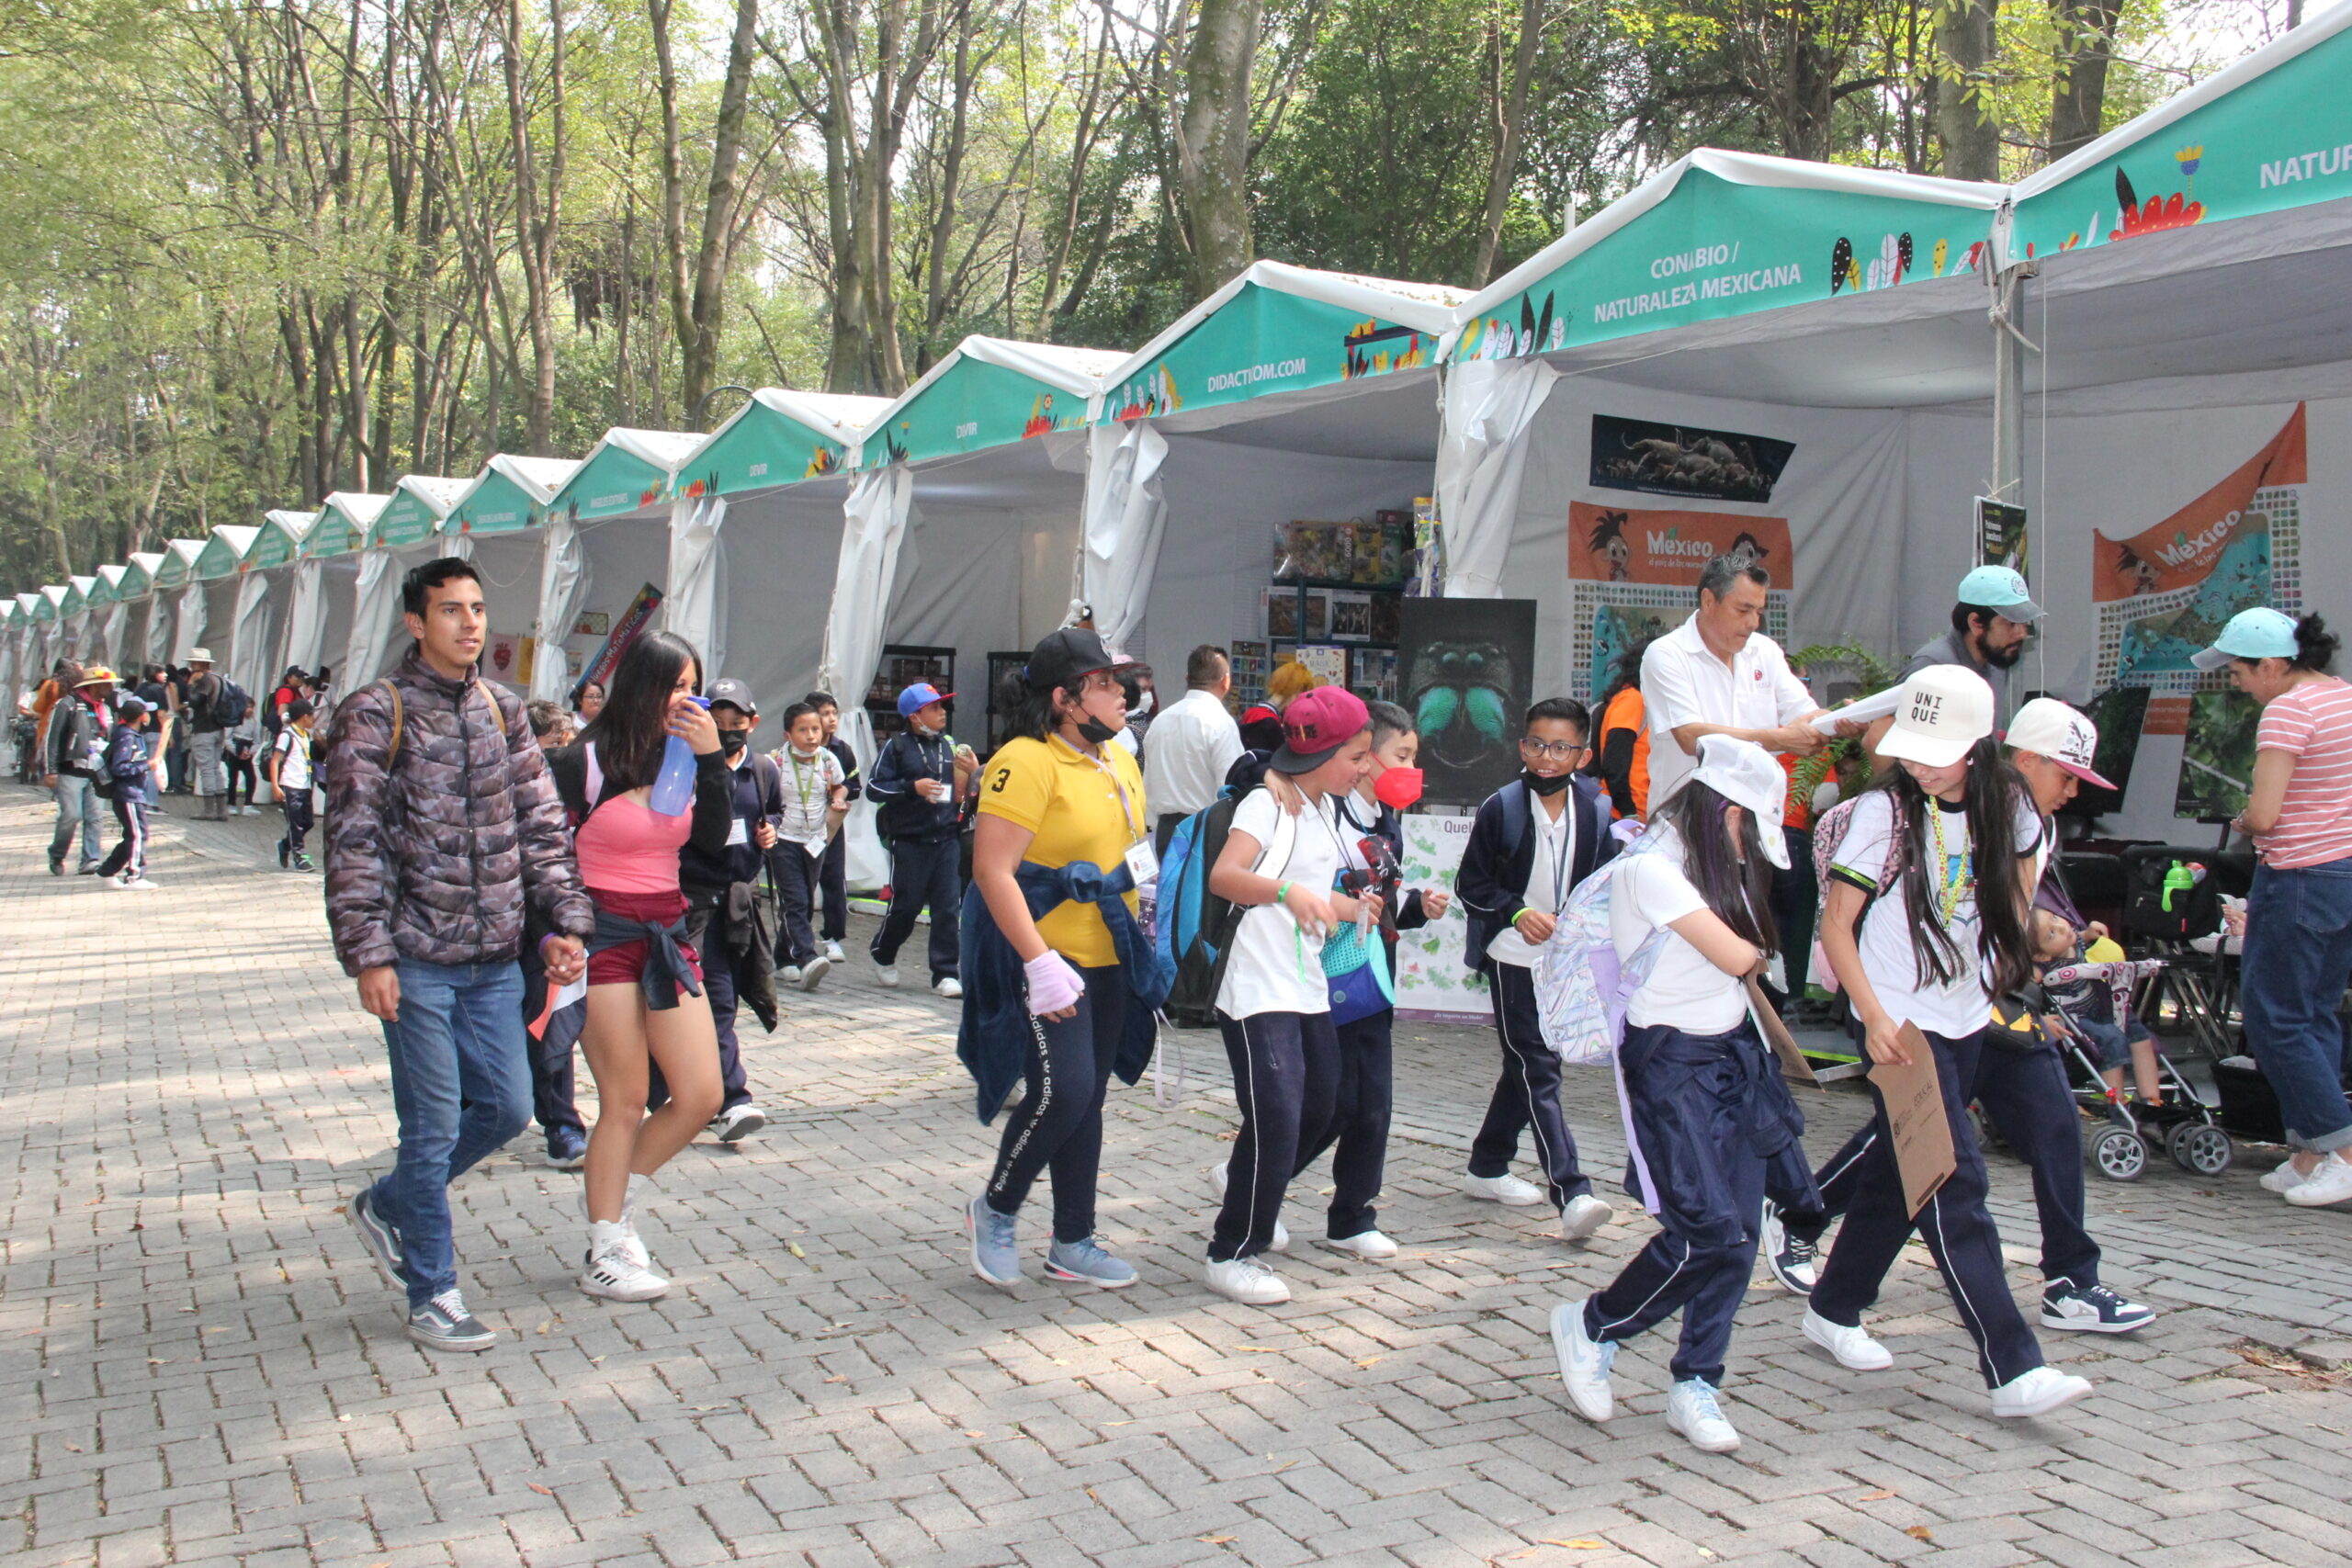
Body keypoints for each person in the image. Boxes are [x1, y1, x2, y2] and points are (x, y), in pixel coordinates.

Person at [1768, 694, 2155, 1336]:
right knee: (1931, 1155)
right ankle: (1813, 1236)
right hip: (1918, 1008)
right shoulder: (1907, 808)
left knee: (2041, 1125)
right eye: (2066, 775)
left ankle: (2069, 1280)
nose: (2070, 793)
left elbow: (2006, 924)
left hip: (1992, 1007)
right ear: (2023, 757)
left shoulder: (2026, 822)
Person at [1801, 664, 2094, 1420]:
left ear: (1980, 745)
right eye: (1914, 748)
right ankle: (2013, 1366)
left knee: (1896, 1181)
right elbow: (1838, 924)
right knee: (1953, 1183)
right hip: (1898, 1024)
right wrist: (1872, 1018)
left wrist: (2011, 942)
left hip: (1966, 1018)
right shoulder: (1883, 814)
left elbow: (2025, 872)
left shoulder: (2011, 806)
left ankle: (1833, 1306)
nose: (1922, 763)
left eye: (1940, 749)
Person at [326, 557, 593, 1353]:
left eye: (478, 608)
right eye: (451, 610)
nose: (471, 623)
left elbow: (543, 826)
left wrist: (568, 922)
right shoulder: (378, 711)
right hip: (413, 957)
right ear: (416, 622)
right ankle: (432, 1290)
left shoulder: (503, 711)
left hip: (492, 958)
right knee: (433, 1123)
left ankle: (389, 1204)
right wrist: (369, 953)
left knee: (509, 1109)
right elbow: (352, 838)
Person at [1551, 737, 1815, 1454]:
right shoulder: (1652, 870)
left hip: (1734, 1057)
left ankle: (1697, 1381)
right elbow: (1740, 954)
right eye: (1747, 826)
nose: (1752, 845)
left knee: (1736, 1236)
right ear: (1723, 811)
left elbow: (1751, 956)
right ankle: (1595, 1324)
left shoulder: (1709, 866)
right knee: (1709, 1231)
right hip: (1671, 1067)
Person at [962, 627, 1166, 1292]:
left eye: (1119, 680)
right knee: (1063, 1089)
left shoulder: (1120, 759)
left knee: (1090, 1098)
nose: (1123, 693)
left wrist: (1148, 936)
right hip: (1047, 954)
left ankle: (1073, 1239)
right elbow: (993, 870)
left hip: (1111, 954)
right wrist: (1040, 963)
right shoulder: (1024, 760)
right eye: (1105, 683)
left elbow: (1139, 858)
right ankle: (996, 1206)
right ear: (1064, 698)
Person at [546, 630, 732, 1303]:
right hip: (600, 935)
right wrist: (554, 935)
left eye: (695, 686)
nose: (688, 700)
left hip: (669, 932)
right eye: (677, 686)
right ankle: (605, 1245)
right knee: (623, 1098)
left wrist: (713, 760)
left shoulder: (688, 756)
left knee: (702, 1094)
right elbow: (542, 854)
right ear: (644, 687)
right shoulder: (582, 760)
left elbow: (716, 844)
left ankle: (616, 1213)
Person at [1197, 687, 1383, 1303]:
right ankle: (1232, 1249)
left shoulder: (1322, 805)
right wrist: (1286, 895)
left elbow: (1309, 889)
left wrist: (1350, 906)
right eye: (1357, 754)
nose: (1365, 766)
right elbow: (1228, 876)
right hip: (1255, 984)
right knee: (1277, 1114)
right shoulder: (1266, 802)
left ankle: (1248, 1185)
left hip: (1305, 982)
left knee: (1324, 1105)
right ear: (1324, 752)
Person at [2193, 610, 2352, 1207]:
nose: (2236, 682)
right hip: (2343, 871)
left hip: (2298, 875)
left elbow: (2264, 814)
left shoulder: (2287, 710)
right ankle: (2310, 1151)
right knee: (2315, 1014)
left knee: (2272, 1018)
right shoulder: (2342, 696)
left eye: (2239, 670)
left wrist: (2237, 816)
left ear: (2273, 665)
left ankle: (2341, 1152)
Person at [1283, 699, 1446, 1258]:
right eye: (1400, 755)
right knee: (1328, 1102)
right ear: (1362, 756)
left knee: (1371, 1104)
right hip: (1323, 978)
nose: (1410, 768)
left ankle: (1352, 1217)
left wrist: (1418, 907)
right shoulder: (1322, 808)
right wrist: (1270, 772)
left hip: (1371, 979)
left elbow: (1384, 900)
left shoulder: (1387, 821)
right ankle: (1254, 1180)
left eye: (1414, 756)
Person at [1453, 696, 1618, 1240]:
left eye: (1562, 747)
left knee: (1525, 1065)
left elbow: (1599, 884)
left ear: (1583, 753)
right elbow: (1470, 885)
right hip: (1512, 956)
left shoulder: (1595, 809)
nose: (1547, 757)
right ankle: (1572, 1190)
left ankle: (1487, 1164)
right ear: (1522, 746)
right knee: (1538, 1066)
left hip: (1565, 959)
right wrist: (1516, 912)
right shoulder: (1500, 806)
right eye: (1538, 745)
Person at [1639, 554, 1833, 807]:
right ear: (1708, 600)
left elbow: (1804, 713)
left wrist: (1839, 720)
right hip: (1686, 817)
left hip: (1755, 816)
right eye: (1743, 610)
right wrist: (1778, 739)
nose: (1753, 623)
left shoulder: (1765, 650)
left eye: (1759, 611)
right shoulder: (1667, 654)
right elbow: (1690, 736)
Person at [680, 676, 782, 1144]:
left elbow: (775, 812)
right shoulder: (686, 768)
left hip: (739, 902)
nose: (727, 731)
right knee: (703, 997)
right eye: (716, 723)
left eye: (735, 722)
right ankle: (725, 1097)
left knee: (727, 997)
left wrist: (770, 832)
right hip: (693, 900)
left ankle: (720, 1096)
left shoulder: (763, 770)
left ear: (752, 722)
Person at [865, 682, 975, 998]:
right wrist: (912, 788)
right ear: (915, 716)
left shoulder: (949, 746)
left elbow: (964, 789)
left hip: (946, 838)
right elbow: (874, 788)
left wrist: (972, 773)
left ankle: (945, 972)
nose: (942, 713)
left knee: (947, 907)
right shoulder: (896, 747)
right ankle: (883, 953)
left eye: (943, 707)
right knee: (907, 905)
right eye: (935, 708)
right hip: (910, 840)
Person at [522, 699, 588, 1172]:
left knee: (553, 1021)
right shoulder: (506, 783)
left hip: (554, 917)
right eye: (557, 742)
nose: (564, 749)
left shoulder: (578, 782)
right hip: (494, 919)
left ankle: (561, 1124)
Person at [769, 701, 848, 991]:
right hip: (783, 839)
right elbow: (764, 795)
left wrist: (838, 798)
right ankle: (806, 957)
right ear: (788, 734)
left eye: (815, 729)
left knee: (800, 899)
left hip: (816, 840)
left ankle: (782, 958)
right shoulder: (775, 761)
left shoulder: (828, 760)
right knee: (797, 900)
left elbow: (840, 785)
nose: (811, 735)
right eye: (803, 730)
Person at [1144, 645, 1246, 853]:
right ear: (1225, 681)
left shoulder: (1160, 721)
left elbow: (1149, 782)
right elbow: (1231, 786)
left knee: (1171, 886)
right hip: (1206, 831)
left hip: (1166, 830)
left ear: (1187, 678)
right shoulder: (1221, 723)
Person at [805, 691, 861, 966]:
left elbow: (855, 784)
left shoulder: (842, 750)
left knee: (833, 877)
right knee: (801, 881)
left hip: (831, 823)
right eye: (825, 714)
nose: (831, 720)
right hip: (800, 823)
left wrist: (841, 794)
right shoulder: (798, 749)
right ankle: (797, 938)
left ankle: (833, 936)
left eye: (834, 714)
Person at [44, 664, 111, 876]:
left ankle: (90, 860)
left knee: (95, 816)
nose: (110, 688)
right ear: (94, 686)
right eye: (106, 684)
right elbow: (54, 738)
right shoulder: (69, 704)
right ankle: (57, 853)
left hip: (96, 772)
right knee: (71, 815)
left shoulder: (105, 708)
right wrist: (51, 769)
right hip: (71, 770)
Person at [96, 692, 161, 890]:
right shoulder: (126, 737)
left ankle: (107, 871)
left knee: (133, 835)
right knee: (138, 835)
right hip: (128, 794)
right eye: (146, 712)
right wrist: (146, 766)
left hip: (133, 793)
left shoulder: (132, 735)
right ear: (140, 716)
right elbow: (119, 767)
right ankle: (135, 875)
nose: (149, 715)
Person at [1587, 635, 1654, 821]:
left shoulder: (1638, 699)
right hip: (1624, 817)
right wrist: (1628, 812)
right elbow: (1615, 763)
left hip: (1636, 814)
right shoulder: (1633, 699)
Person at [268, 699, 320, 870]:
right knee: (295, 822)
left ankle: (285, 844)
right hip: (291, 785)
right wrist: (275, 786)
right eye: (312, 717)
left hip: (304, 784)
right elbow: (275, 761)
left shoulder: (306, 735)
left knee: (308, 822)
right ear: (304, 717)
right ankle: (300, 856)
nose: (313, 720)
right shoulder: (287, 735)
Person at [186, 647, 231, 821]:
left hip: (204, 729)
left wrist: (191, 686)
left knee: (206, 769)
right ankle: (222, 810)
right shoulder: (218, 679)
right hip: (218, 728)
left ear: (198, 664)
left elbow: (195, 702)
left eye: (192, 663)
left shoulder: (205, 681)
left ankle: (209, 810)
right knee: (214, 767)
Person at [225, 695, 262, 817]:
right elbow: (227, 738)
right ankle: (231, 803)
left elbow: (257, 741)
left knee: (251, 778)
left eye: (252, 707)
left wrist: (250, 752)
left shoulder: (254, 722)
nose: (250, 710)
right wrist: (236, 751)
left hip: (247, 748)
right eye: (247, 707)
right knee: (233, 779)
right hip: (236, 748)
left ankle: (248, 804)